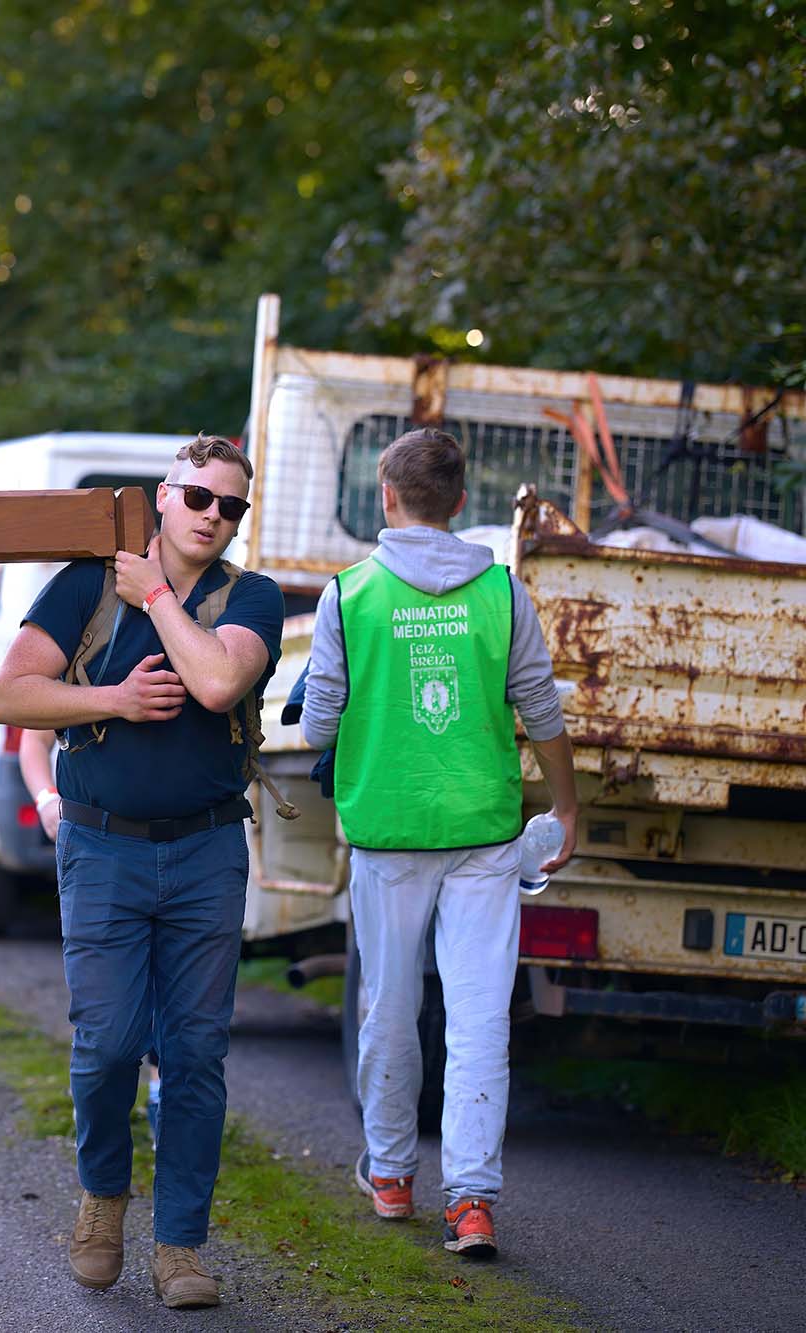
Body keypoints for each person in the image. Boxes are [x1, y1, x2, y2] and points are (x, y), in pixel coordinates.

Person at [0, 434, 282, 1310]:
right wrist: (112, 700)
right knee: (108, 1041)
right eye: (198, 497)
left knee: (194, 1052)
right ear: (164, 493)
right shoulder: (85, 584)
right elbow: (9, 695)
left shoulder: (251, 596)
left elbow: (218, 683)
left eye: (230, 506)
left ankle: (181, 1243)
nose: (212, 516)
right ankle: (103, 1196)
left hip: (205, 850)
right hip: (102, 847)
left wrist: (155, 594)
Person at [299, 427, 578, 1259]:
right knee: (480, 1017)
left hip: (388, 834)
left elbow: (318, 724)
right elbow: (542, 710)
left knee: (389, 1007)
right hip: (484, 834)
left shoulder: (348, 594)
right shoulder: (502, 590)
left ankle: (390, 1175)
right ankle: (473, 1202)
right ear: (459, 502)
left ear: (385, 496)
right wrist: (566, 808)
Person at [17, 727, 162, 1148]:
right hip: (99, 844)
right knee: (109, 1009)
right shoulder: (75, 681)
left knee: (172, 989)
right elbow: (33, 740)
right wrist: (46, 799)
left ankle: (161, 1094)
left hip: (188, 843)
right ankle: (98, 1104)